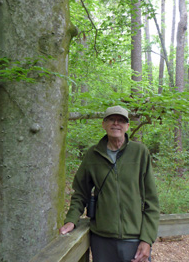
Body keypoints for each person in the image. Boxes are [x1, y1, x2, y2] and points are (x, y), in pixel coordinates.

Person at [59, 105, 159, 262]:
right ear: (104, 124)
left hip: (134, 238)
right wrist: (71, 219)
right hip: (102, 239)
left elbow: (151, 201)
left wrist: (147, 239)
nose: (116, 124)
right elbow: (80, 192)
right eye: (111, 119)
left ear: (127, 126)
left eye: (121, 120)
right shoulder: (93, 154)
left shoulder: (140, 152)